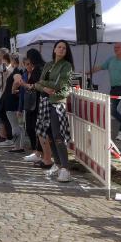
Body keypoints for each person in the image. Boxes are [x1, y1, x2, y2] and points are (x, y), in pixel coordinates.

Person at [34, 40, 74, 183]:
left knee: (58, 135)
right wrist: (44, 87)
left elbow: (59, 85)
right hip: (45, 101)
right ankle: (57, 164)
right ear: (54, 49)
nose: (62, 49)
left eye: (64, 48)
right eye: (59, 47)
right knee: (49, 134)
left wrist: (43, 84)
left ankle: (65, 169)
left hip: (57, 102)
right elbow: (37, 84)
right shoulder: (48, 64)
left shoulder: (67, 66)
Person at [91, 43, 121, 141]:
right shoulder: (111, 59)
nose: (116, 49)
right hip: (114, 89)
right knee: (111, 110)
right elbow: (100, 67)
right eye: (115, 47)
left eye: (118, 47)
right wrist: (88, 72)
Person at [20, 49, 52, 168]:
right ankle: (39, 154)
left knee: (37, 129)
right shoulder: (42, 67)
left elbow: (37, 86)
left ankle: (43, 156)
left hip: (38, 102)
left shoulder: (38, 69)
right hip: (38, 101)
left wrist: (24, 84)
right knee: (37, 129)